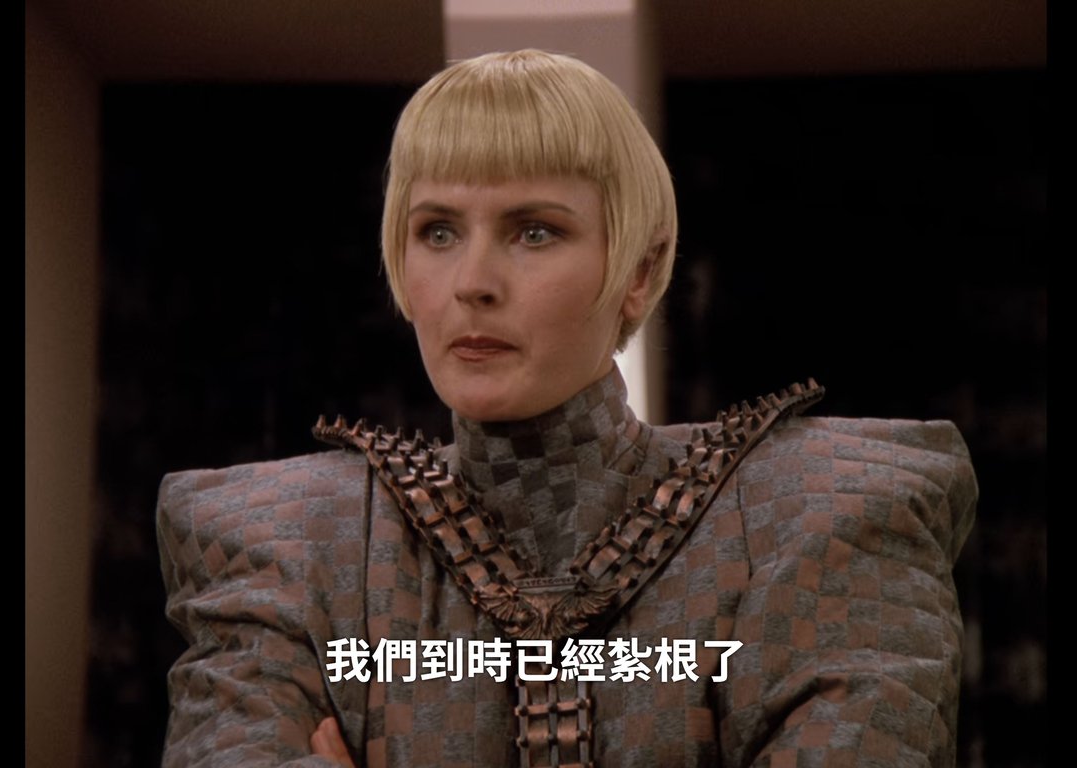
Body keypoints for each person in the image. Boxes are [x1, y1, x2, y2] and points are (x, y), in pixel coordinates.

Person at [157, 50, 977, 768]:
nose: (473, 282)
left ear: (640, 273)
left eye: (535, 232)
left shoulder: (814, 514)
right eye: (437, 231)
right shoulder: (292, 546)